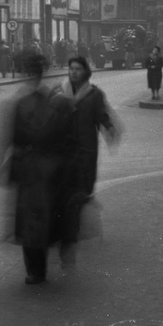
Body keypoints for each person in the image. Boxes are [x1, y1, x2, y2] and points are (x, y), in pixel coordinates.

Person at [0, 53, 73, 285]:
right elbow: (66, 139)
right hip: (48, 169)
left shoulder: (17, 103)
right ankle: (39, 266)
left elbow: (6, 139)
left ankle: (35, 270)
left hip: (28, 168)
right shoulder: (55, 100)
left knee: (30, 219)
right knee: (44, 217)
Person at [54, 56, 119, 271]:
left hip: (86, 150)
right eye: (71, 68)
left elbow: (102, 116)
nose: (73, 72)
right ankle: (68, 230)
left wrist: (110, 129)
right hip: (63, 150)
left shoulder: (94, 94)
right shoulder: (59, 91)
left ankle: (79, 226)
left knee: (84, 188)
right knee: (64, 191)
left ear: (85, 71)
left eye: (78, 69)